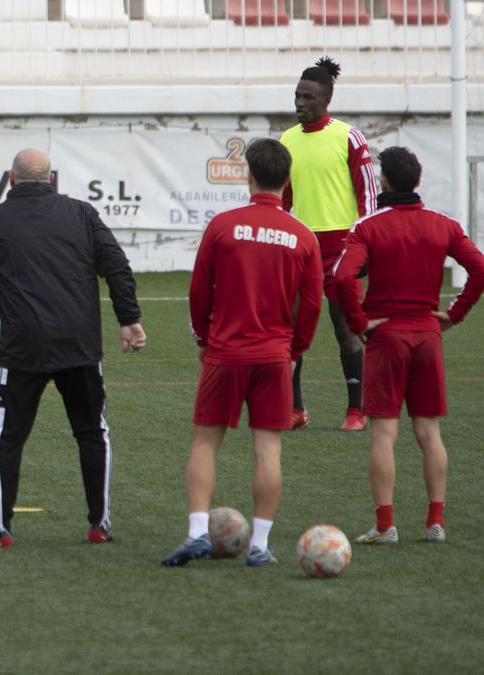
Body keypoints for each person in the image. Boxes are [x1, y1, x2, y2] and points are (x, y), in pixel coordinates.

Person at [0, 148, 147, 548]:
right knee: (92, 432)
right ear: (51, 179)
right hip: (80, 346)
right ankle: (100, 523)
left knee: (5, 438)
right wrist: (129, 319)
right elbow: (116, 264)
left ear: (10, 180)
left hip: (23, 349)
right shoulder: (82, 214)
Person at [162, 138, 323, 568]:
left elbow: (200, 290)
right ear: (288, 181)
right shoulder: (303, 236)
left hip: (226, 352)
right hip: (274, 356)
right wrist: (296, 350)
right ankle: (260, 545)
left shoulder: (223, 226)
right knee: (268, 451)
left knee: (205, 443)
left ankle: (197, 532)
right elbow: (311, 304)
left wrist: (203, 339)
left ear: (247, 175)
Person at [332, 146, 484, 545]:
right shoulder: (443, 224)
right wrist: (454, 315)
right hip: (427, 336)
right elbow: (481, 270)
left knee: (384, 434)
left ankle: (385, 526)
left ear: (383, 182)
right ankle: (435, 521)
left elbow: (340, 278)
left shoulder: (367, 227)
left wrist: (358, 323)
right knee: (429, 433)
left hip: (387, 337)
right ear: (418, 181)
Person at [280, 56, 378, 432]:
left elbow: (367, 195)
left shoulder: (348, 136)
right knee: (290, 329)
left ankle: (357, 409)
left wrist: (365, 245)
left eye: (308, 97)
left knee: (346, 330)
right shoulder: (287, 140)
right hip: (301, 250)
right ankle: (296, 409)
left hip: (344, 248)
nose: (300, 103)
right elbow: (284, 199)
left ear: (326, 100)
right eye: (297, 96)